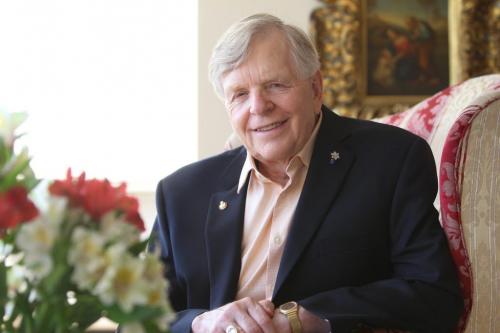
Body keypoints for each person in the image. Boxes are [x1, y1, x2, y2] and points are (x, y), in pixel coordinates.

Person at [152, 13, 463, 333]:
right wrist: (201, 323)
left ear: (315, 88)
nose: (258, 107)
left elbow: (433, 295)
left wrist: (304, 318)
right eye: (240, 94)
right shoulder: (180, 194)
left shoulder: (391, 160)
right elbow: (136, 321)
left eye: (275, 85)